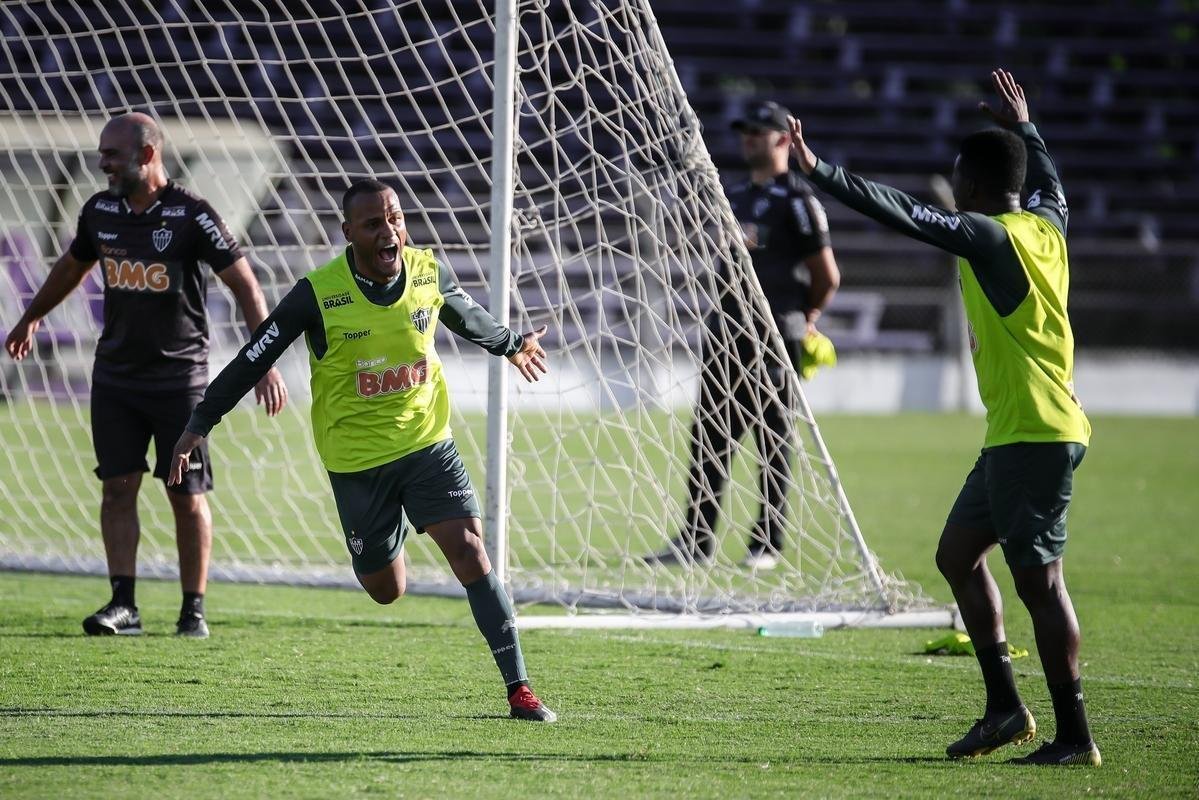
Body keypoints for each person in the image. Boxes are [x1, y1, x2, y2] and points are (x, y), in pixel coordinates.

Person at [787, 70, 1099, 766]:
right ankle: (1003, 709)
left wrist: (818, 171)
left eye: (959, 178)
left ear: (979, 187)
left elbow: (902, 211)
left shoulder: (990, 237)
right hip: (1019, 432)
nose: (952, 188)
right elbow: (1048, 176)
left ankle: (1074, 737)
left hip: (1035, 432)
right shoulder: (1048, 224)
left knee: (1038, 583)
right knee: (956, 555)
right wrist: (1025, 127)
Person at [167, 178, 557, 722]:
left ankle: (520, 690)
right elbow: (254, 357)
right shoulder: (318, 294)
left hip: (425, 443)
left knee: (470, 550)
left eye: (395, 218)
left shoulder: (427, 271)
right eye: (373, 223)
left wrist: (513, 346)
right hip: (356, 463)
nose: (389, 231)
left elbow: (467, 316)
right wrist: (199, 423)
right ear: (348, 233)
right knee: (386, 590)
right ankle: (390, 533)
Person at [4, 112, 288, 639]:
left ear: (148, 155)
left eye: (112, 154)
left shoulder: (192, 214)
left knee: (186, 494)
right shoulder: (100, 210)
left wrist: (263, 361)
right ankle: (123, 605)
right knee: (117, 488)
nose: (102, 163)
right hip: (115, 378)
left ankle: (193, 609)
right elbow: (72, 267)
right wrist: (30, 315)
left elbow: (246, 285)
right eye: (102, 153)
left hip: (179, 381)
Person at [646, 100, 840, 570]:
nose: (748, 137)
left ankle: (766, 544)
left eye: (759, 130)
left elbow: (827, 274)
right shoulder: (730, 196)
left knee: (772, 437)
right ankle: (696, 540)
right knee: (709, 436)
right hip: (725, 330)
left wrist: (805, 314)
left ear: (783, 139)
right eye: (745, 131)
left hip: (774, 334)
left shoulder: (799, 202)